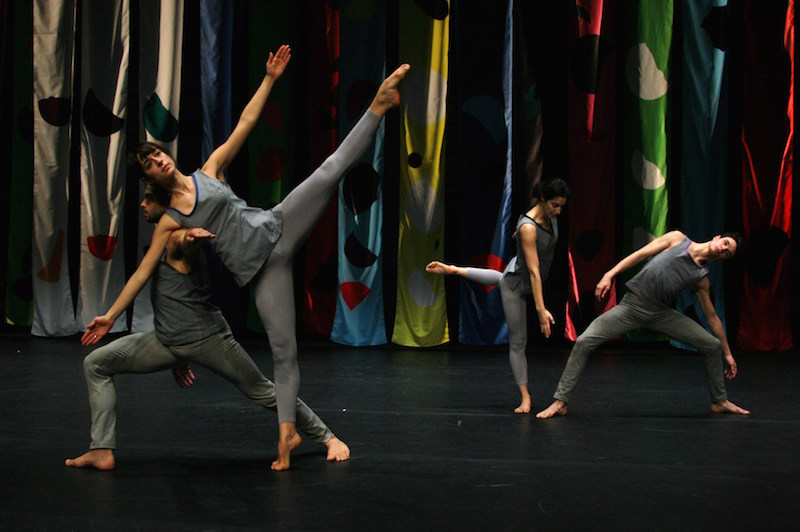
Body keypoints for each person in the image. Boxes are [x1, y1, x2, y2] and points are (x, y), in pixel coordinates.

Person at [81, 43, 409, 470]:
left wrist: (270, 79)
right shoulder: (169, 221)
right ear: (148, 178)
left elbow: (246, 123)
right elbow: (142, 275)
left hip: (277, 226)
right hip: (260, 273)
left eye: (157, 153)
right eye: (149, 163)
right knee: (283, 353)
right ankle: (286, 436)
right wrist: (109, 315)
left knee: (330, 170)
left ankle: (377, 107)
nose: (158, 160)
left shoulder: (209, 169)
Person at [66, 184, 350, 471]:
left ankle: (329, 438)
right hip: (168, 340)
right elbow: (170, 299)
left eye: (149, 199)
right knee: (96, 364)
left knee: (262, 389)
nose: (142, 204)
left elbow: (184, 242)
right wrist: (178, 356)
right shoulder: (160, 239)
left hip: (209, 340)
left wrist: (192, 238)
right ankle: (101, 449)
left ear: (166, 206)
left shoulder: (175, 237)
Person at [536, 230, 750, 419]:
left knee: (712, 345)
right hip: (632, 307)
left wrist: (727, 353)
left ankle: (719, 401)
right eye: (725, 244)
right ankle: (560, 402)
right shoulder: (678, 239)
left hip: (661, 314)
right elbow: (641, 255)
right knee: (583, 341)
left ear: (724, 259)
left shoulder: (701, 278)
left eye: (727, 253)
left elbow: (712, 317)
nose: (723, 249)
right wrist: (610, 274)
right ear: (717, 238)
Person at [426, 178, 571, 414]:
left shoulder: (542, 220)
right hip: (517, 284)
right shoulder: (528, 227)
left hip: (518, 274)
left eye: (561, 206)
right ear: (543, 199)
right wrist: (540, 309)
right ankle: (525, 398)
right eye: (555, 205)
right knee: (518, 341)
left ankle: (453, 270)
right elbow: (534, 272)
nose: (558, 211)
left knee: (501, 278)